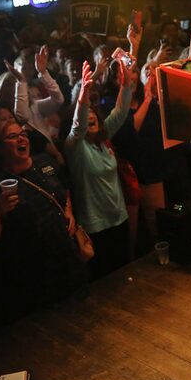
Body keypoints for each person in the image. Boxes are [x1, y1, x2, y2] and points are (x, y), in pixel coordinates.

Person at [0, 119, 87, 327]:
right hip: (35, 275)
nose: (21, 138)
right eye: (12, 136)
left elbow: (65, 190)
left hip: (69, 261)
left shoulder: (46, 162)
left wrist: (68, 211)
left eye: (23, 134)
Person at [64, 58, 136, 279]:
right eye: (89, 114)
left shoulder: (104, 141)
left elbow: (121, 111)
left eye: (95, 113)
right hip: (95, 225)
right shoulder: (75, 148)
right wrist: (84, 94)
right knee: (105, 282)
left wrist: (125, 85)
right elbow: (78, 127)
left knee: (123, 272)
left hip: (119, 217)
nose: (92, 116)